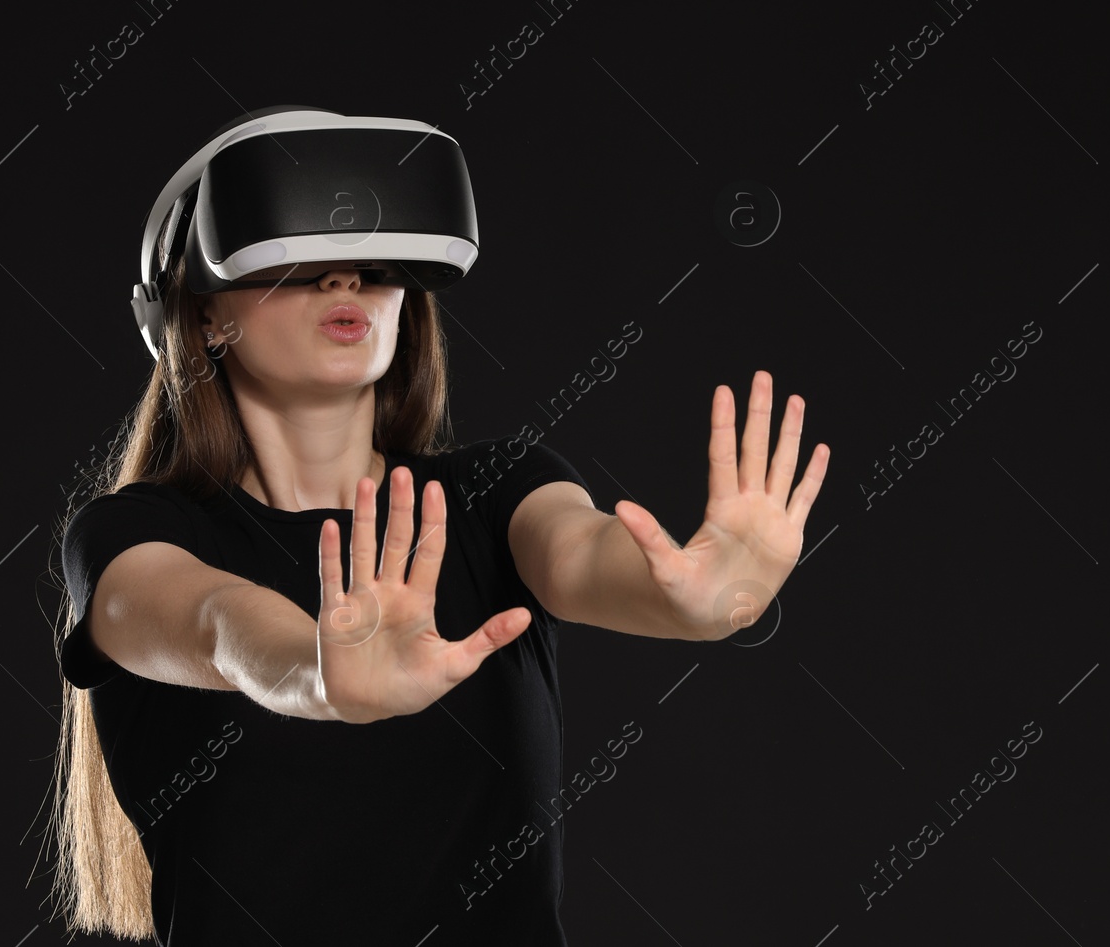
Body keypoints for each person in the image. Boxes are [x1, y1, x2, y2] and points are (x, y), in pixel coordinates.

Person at [45, 233, 829, 945]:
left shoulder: (494, 494)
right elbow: (213, 622)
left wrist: (689, 598)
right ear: (205, 314)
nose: (344, 275)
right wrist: (316, 670)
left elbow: (581, 553)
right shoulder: (130, 536)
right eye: (292, 249)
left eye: (373, 258)